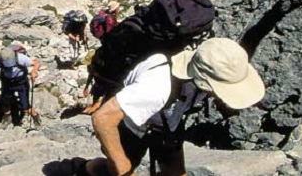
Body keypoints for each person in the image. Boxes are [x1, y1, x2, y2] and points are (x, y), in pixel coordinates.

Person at [79, 38, 265, 176]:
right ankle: (83, 170)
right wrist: (123, 169)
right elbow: (102, 119)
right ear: (205, 81)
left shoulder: (200, 66)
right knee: (115, 169)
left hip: (168, 123)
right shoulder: (157, 86)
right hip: (134, 126)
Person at [81, 1, 123, 114]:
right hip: (111, 46)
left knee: (100, 81)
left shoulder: (103, 16)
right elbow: (112, 33)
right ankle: (103, 106)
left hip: (104, 45)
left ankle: (95, 104)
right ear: (115, 9)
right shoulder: (110, 19)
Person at [0, 45, 41, 125]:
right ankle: (7, 117)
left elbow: (36, 63)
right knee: (5, 101)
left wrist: (34, 71)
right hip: (7, 82)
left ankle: (35, 115)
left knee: (25, 106)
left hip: (21, 82)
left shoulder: (21, 58)